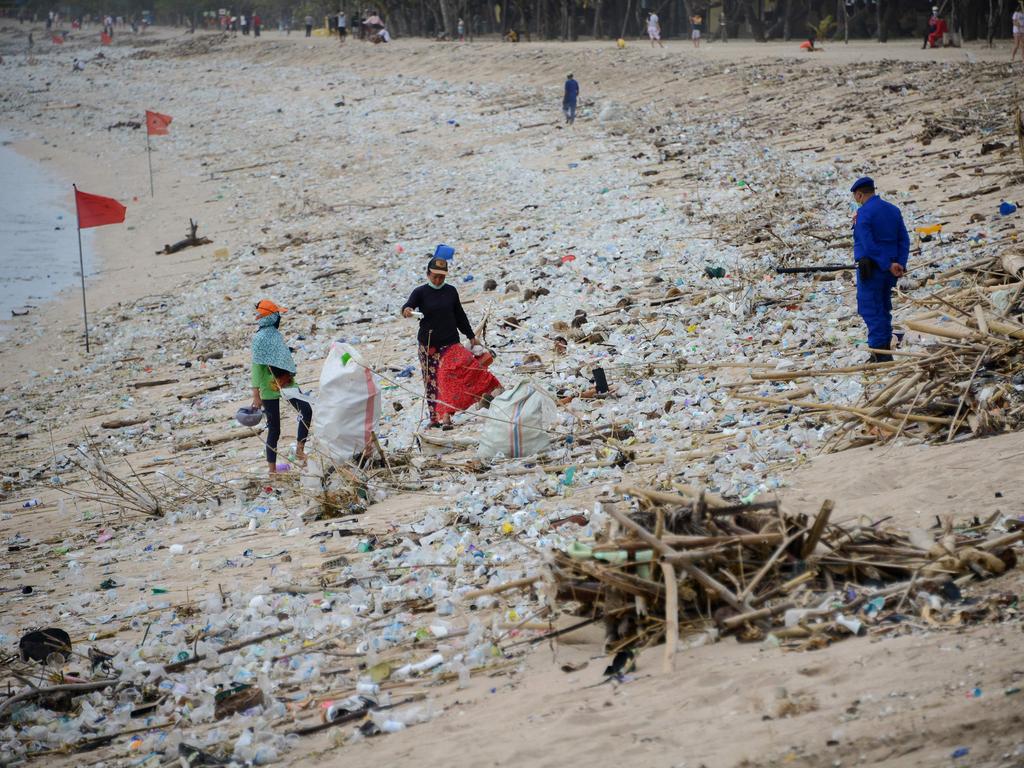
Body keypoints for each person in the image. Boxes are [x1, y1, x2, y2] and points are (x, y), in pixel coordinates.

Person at [401, 252, 500, 429]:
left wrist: (471, 336)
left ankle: (496, 392)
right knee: (432, 380)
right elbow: (407, 306)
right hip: (428, 345)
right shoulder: (420, 292)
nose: (438, 280)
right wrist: (408, 310)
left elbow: (459, 315)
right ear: (428, 274)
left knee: (466, 369)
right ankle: (437, 418)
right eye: (435, 277)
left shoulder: (450, 291)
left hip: (450, 342)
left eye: (441, 277)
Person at [250, 299, 313, 475]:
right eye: (277, 314)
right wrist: (256, 395)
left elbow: (283, 359)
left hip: (286, 381)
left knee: (306, 410)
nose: (279, 317)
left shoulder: (276, 335)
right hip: (269, 387)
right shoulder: (259, 339)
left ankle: (300, 449)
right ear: (271, 317)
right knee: (274, 429)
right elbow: (257, 368)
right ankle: (272, 470)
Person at [850, 177, 909, 363]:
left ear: (859, 194)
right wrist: (899, 263)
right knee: (883, 308)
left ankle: (879, 353)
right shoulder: (893, 210)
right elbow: (904, 240)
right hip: (891, 270)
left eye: (855, 197)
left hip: (873, 269)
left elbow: (868, 245)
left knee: (871, 309)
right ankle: (883, 351)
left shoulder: (864, 214)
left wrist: (886, 264)